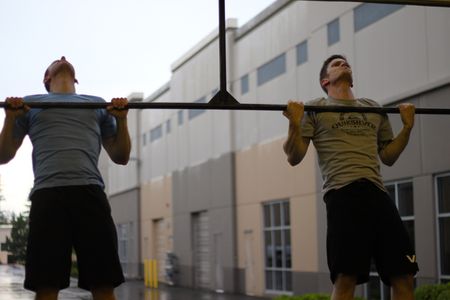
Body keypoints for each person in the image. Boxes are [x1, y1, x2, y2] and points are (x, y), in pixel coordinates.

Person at [283, 54, 418, 300]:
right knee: (346, 278)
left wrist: (407, 128)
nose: (343, 64)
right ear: (325, 81)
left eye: (346, 62)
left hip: (378, 194)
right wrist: (293, 123)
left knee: (405, 275)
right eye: (336, 64)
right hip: (342, 194)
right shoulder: (316, 108)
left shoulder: (373, 108)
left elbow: (388, 156)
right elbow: (294, 157)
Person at [0, 56, 131, 300]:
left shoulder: (97, 104)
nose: (62, 58)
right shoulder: (29, 105)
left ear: (76, 78)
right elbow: (3, 155)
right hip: (49, 195)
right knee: (46, 286)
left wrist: (122, 120)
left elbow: (121, 156)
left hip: (90, 192)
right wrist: (10, 118)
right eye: (54, 60)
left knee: (103, 284)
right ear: (46, 79)